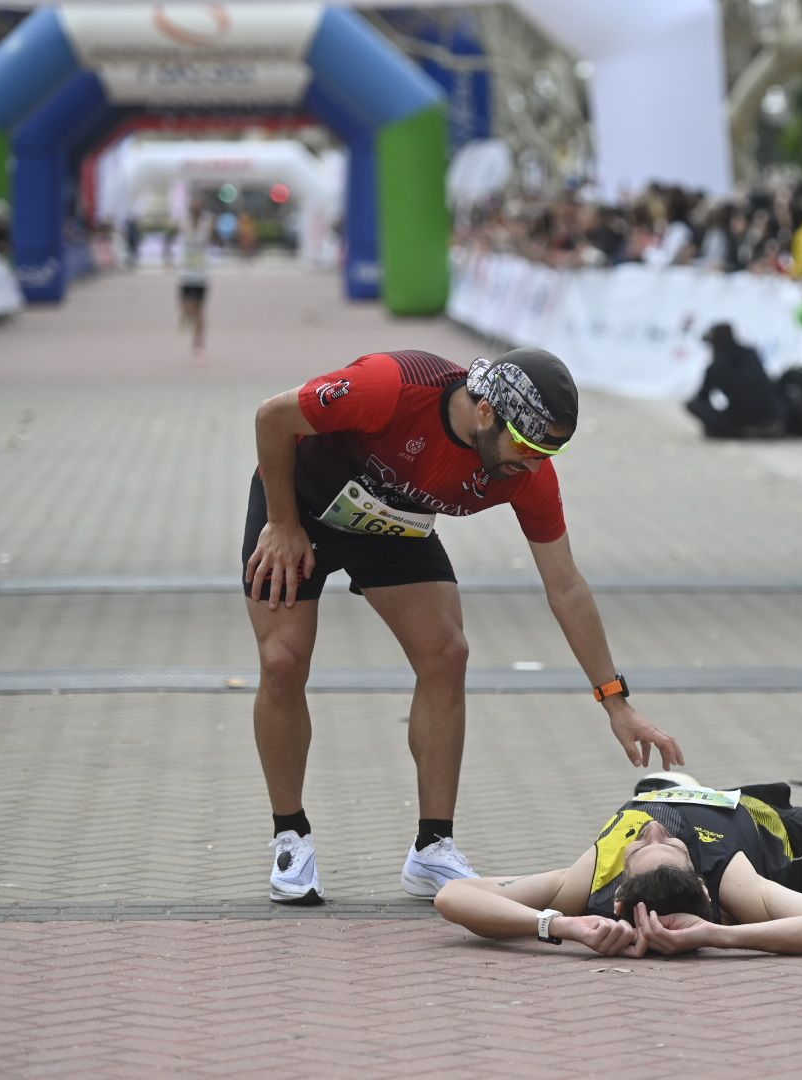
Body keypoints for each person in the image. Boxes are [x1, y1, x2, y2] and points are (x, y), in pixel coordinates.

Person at [243, 347, 684, 905]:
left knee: (446, 653)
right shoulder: (392, 387)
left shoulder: (529, 475)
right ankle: (290, 835)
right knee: (283, 660)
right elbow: (272, 417)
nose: (532, 465)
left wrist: (616, 701)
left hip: (387, 525)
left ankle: (432, 849)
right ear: (484, 414)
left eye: (549, 451)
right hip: (300, 503)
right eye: (525, 447)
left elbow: (566, 586)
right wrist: (282, 521)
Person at [434, 773, 802, 957]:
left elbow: (455, 896)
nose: (654, 828)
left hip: (708, 797)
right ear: (700, 878)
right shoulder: (731, 880)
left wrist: (556, 925)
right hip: (774, 836)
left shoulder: (590, 877)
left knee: (660, 792)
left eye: (646, 841)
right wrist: (722, 934)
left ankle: (672, 784)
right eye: (656, 840)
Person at [685, 322, 785, 439]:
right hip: (771, 415)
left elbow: (702, 397)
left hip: (741, 421)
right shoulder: (750, 354)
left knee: (693, 404)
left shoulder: (715, 367)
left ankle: (729, 430)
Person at [177, 201, 212, 361]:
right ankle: (185, 315)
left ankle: (198, 344)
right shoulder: (183, 223)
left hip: (201, 274)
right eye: (194, 210)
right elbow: (169, 238)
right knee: (187, 308)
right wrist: (167, 257)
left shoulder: (207, 224)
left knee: (200, 311)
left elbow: (218, 239)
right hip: (185, 273)